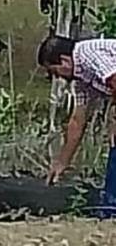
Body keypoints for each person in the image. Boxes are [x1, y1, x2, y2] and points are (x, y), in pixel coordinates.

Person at [39, 34, 116, 218]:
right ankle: (110, 207)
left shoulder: (88, 55)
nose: (57, 77)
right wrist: (61, 162)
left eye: (55, 71)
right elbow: (77, 121)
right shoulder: (81, 80)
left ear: (65, 60)